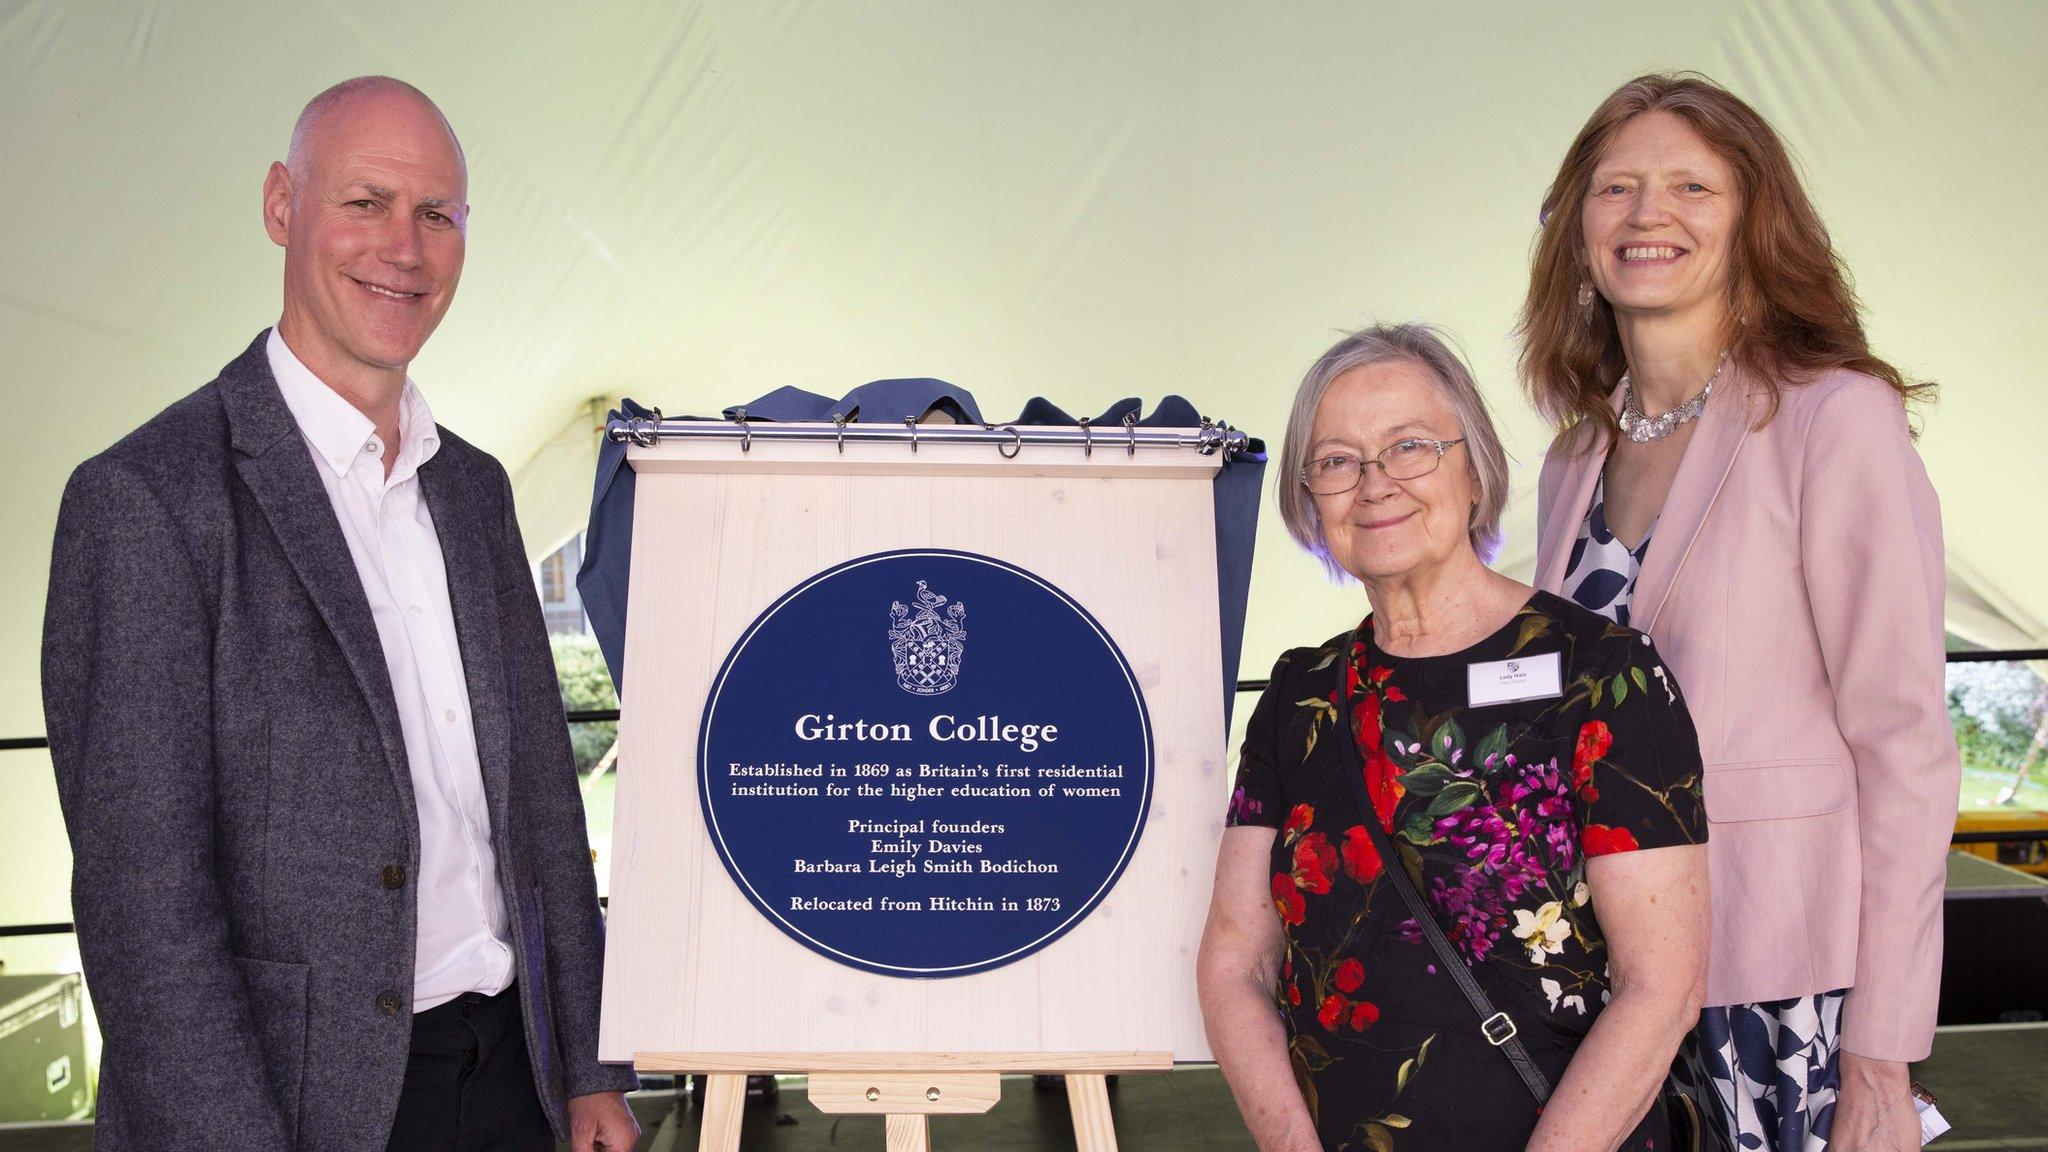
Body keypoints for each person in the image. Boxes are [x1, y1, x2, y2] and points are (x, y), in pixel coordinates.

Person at [41, 77, 640, 1151]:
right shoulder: (146, 500)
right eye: (364, 202)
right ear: (282, 206)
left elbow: (544, 799)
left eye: (436, 214)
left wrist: (591, 1066)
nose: (402, 248)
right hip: (296, 1108)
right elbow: (144, 908)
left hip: (515, 1081)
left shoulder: (473, 489)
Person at [1519, 72, 1960, 1152]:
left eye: (1688, 187)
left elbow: (1903, 747)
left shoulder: (1832, 421)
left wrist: (1878, 1052)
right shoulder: (1572, 457)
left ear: (1753, 219)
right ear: (1576, 232)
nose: (1645, 215)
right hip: (1606, 987)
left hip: (1783, 990)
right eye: (1614, 188)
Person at [1199, 324, 1709, 1152]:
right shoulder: (1299, 696)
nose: (1374, 484)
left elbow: (1664, 986)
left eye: (1410, 447)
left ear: (1474, 470)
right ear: (1310, 499)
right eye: (1336, 461)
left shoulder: (1601, 676)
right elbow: (1235, 966)